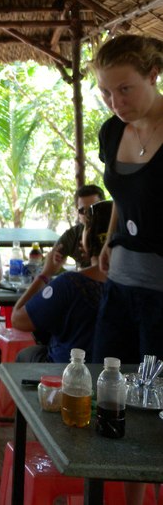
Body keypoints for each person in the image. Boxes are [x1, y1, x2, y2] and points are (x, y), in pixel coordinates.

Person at [92, 34, 163, 505]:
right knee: (109, 389)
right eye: (106, 92)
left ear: (154, 77)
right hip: (119, 283)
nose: (115, 102)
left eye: (125, 89)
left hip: (162, 293)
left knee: (155, 404)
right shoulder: (111, 132)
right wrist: (109, 238)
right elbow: (121, 192)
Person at [13, 200, 113, 362]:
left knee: (27, 355)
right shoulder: (134, 285)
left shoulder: (71, 284)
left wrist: (45, 274)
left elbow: (18, 319)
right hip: (117, 376)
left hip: (67, 373)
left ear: (89, 236)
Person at [53, 184, 105, 268]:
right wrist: (55, 259)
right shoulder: (73, 235)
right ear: (77, 211)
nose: (88, 214)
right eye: (83, 210)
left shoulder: (115, 230)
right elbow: (52, 261)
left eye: (94, 209)